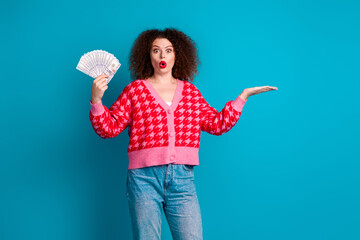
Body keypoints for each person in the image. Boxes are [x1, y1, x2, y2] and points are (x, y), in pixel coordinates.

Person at [89, 28, 277, 240]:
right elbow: (109, 128)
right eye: (156, 50)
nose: (162, 56)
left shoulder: (190, 92)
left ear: (177, 55)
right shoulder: (135, 90)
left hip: (182, 179)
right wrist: (96, 101)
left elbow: (217, 124)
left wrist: (243, 97)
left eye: (168, 50)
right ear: (147, 55)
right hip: (143, 180)